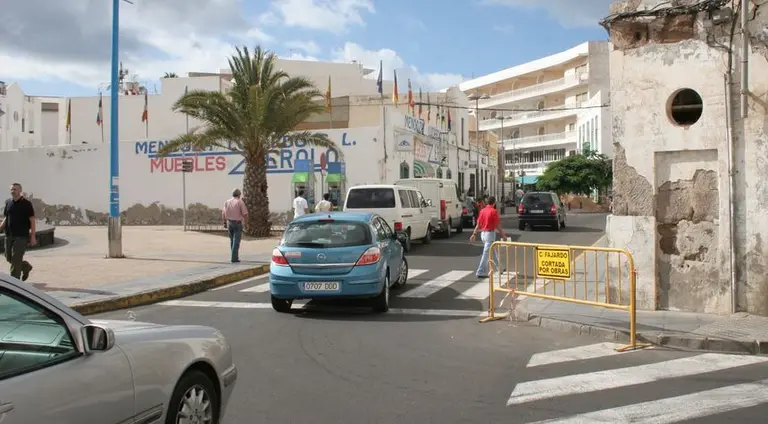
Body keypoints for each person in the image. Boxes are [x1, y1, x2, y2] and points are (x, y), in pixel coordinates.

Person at [1, 183, 36, 281]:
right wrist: (0, 227)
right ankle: (25, 267)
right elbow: (6, 217)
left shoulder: (26, 204)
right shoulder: (8, 203)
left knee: (16, 261)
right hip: (9, 235)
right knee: (8, 258)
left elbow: (32, 220)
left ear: (20, 191)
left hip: (21, 236)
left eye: (15, 189)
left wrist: (33, 236)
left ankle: (14, 283)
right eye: (12, 189)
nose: (13, 191)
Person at [469, 196, 507, 279]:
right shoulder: (493, 211)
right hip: (490, 234)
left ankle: (500, 268)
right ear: (494, 203)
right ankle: (480, 271)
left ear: (487, 201)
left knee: (493, 251)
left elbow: (478, 224)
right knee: (486, 254)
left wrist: (474, 234)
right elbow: (497, 225)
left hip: (483, 234)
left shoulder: (482, 211)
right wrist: (503, 235)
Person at [222, 188, 248, 263]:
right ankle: (234, 258)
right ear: (239, 195)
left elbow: (223, 213)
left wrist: (224, 222)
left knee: (232, 240)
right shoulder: (240, 202)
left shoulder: (227, 202)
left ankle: (233, 256)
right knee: (236, 241)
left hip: (229, 222)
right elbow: (245, 214)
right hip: (237, 223)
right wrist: (246, 224)